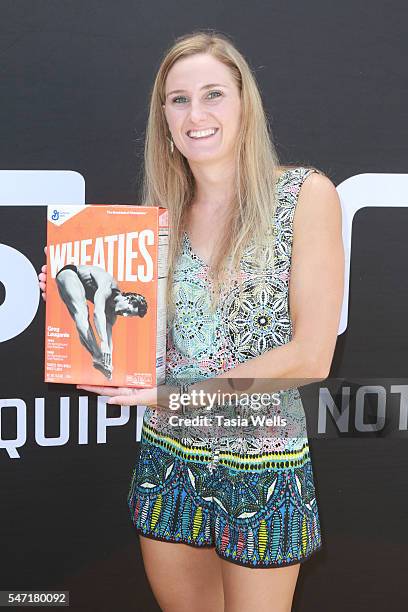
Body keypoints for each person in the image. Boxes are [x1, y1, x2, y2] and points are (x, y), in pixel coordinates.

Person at [39, 30, 344, 612]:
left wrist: (173, 398)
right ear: (165, 119)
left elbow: (311, 356)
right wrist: (70, 296)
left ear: (244, 104)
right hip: (167, 458)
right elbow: (140, 344)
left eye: (213, 94)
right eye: (178, 100)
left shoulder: (304, 196)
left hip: (264, 466)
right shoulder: (161, 219)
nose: (195, 114)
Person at [54, 263, 147, 379]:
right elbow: (97, 313)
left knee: (84, 332)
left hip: (74, 287)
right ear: (127, 299)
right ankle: (98, 357)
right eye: (127, 310)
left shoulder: (113, 313)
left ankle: (99, 360)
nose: (124, 314)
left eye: (128, 315)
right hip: (69, 274)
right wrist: (103, 343)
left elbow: (108, 338)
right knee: (82, 313)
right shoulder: (107, 286)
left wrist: (109, 362)